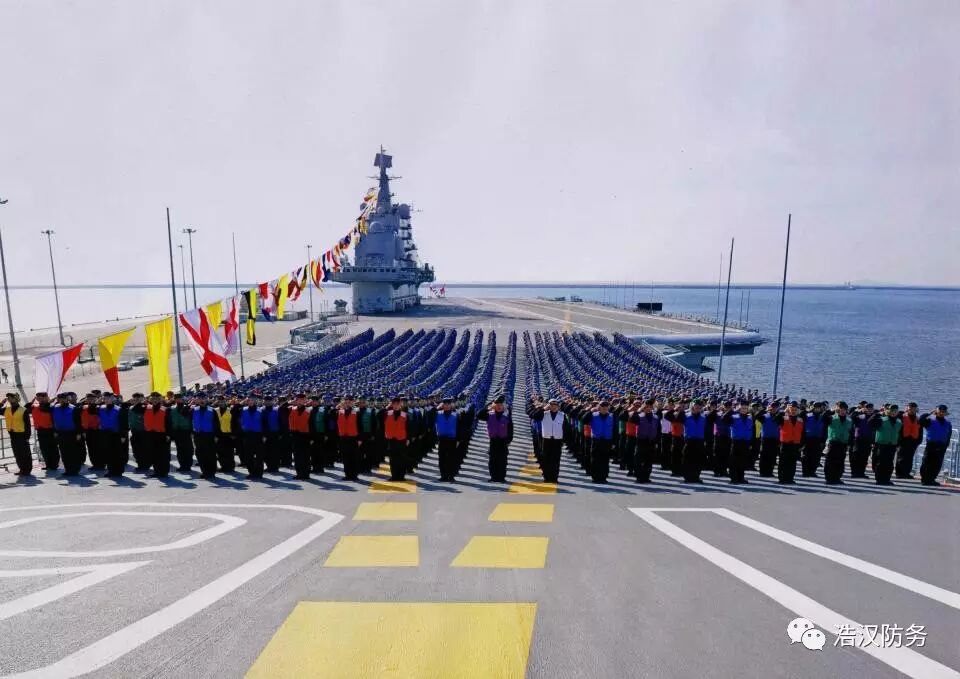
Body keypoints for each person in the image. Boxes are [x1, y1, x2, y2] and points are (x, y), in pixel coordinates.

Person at [479, 394, 513, 483]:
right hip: (493, 440)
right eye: (497, 404)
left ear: (503, 405)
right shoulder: (490, 413)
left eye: (500, 405)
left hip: (503, 440)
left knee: (502, 460)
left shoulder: (507, 414)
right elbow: (479, 415)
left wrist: (509, 440)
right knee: (493, 459)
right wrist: (489, 407)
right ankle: (493, 477)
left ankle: (501, 477)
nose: (499, 406)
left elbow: (510, 428)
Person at [918, 405, 952, 486]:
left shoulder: (948, 423)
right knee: (927, 462)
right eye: (940, 411)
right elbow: (920, 420)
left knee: (937, 464)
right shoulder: (930, 421)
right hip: (931, 445)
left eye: (943, 412)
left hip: (941, 446)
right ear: (936, 412)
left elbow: (948, 435)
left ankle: (932, 479)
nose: (941, 413)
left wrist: (946, 445)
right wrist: (929, 413)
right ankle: (925, 479)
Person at [534, 398, 566, 484]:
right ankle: (547, 477)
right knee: (546, 459)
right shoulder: (544, 413)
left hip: (557, 440)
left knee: (555, 460)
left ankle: (554, 477)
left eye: (555, 405)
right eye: (552, 405)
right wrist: (543, 408)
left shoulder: (562, 415)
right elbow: (534, 416)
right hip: (546, 439)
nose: (554, 406)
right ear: (549, 405)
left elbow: (566, 428)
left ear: (558, 406)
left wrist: (564, 440)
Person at [1, 393, 33, 476]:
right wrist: (1, 403)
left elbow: (28, 425)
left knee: (25, 453)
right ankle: (22, 469)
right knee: (17, 453)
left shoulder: (23, 410)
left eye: (11, 398)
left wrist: (27, 436)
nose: (9, 399)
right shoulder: (7, 409)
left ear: (16, 399)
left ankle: (27, 470)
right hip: (13, 435)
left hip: (22, 435)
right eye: (8, 398)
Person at [870, 404, 902, 486]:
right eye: (892, 411)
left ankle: (887, 479)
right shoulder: (881, 420)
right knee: (881, 463)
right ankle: (879, 480)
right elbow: (870, 423)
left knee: (889, 463)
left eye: (895, 411)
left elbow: (900, 434)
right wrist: (877, 414)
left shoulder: (899, 422)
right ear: (888, 411)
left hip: (892, 445)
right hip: (882, 444)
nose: (893, 412)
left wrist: (898, 444)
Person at [822, 401, 853, 485]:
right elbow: (823, 418)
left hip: (843, 443)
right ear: (837, 409)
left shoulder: (849, 420)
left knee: (840, 461)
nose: (842, 411)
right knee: (830, 461)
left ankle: (837, 478)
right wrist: (831, 410)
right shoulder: (831, 417)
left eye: (844, 409)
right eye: (841, 409)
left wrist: (850, 443)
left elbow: (851, 432)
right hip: (833, 442)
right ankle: (829, 478)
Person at [52, 392, 83, 475]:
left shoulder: (73, 408)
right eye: (60, 399)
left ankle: (75, 470)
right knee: (64, 452)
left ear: (67, 399)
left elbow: (78, 422)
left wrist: (78, 433)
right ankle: (67, 469)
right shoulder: (55, 408)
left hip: (72, 433)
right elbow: (53, 420)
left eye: (63, 399)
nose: (61, 400)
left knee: (73, 452)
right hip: (61, 433)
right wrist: (55, 431)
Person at [584, 400, 615, 483]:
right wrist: (590, 411)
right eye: (602, 407)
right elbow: (584, 420)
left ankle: (603, 477)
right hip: (596, 440)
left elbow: (615, 429)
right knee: (595, 459)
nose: (604, 408)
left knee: (605, 459)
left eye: (606, 407)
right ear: (599, 407)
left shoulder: (612, 416)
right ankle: (595, 477)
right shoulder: (593, 415)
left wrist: (614, 442)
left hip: (607, 440)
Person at [99, 392, 128, 477]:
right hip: (106, 434)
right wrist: (98, 401)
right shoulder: (101, 408)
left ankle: (119, 471)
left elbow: (124, 423)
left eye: (108, 398)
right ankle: (111, 470)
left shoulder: (119, 409)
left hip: (116, 434)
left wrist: (123, 435)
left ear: (112, 399)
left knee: (118, 453)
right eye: (104, 398)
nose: (106, 400)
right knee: (108, 453)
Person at [725, 400, 754, 484]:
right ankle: (733, 478)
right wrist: (732, 410)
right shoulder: (734, 417)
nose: (744, 410)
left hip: (745, 442)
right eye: (742, 408)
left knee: (742, 461)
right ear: (739, 408)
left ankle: (741, 477)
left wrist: (750, 442)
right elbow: (724, 419)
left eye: (746, 408)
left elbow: (751, 430)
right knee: (734, 461)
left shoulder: (750, 418)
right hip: (736, 441)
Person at [143, 392, 171, 477]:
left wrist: (168, 435)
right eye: (153, 398)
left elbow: (169, 423)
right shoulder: (146, 408)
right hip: (151, 434)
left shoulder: (165, 409)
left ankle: (164, 472)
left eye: (157, 398)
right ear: (150, 399)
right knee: (154, 453)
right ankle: (157, 471)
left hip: (162, 434)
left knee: (163, 454)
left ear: (160, 399)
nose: (155, 400)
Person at [775, 401, 804, 484]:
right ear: (789, 409)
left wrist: (802, 444)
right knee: (783, 462)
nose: (793, 411)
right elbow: (776, 419)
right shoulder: (784, 417)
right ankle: (782, 479)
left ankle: (790, 478)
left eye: (795, 409)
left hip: (795, 444)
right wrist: (784, 411)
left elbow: (802, 433)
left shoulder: (800, 419)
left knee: (792, 462)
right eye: (792, 409)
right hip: (785, 443)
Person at [382, 396, 409, 481]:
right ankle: (394, 476)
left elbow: (409, 427)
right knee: (393, 459)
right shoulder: (387, 413)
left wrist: (408, 439)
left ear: (400, 405)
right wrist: (387, 407)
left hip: (402, 440)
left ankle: (401, 476)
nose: (396, 406)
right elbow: (379, 416)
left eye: (398, 404)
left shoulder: (405, 414)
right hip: (391, 440)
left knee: (402, 459)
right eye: (394, 404)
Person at [633, 398, 660, 483]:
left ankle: (646, 476)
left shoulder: (656, 417)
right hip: (641, 440)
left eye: (650, 407)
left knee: (649, 460)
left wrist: (657, 442)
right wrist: (639, 410)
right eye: (646, 406)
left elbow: (658, 430)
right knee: (639, 459)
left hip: (651, 441)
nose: (648, 408)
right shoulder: (639, 416)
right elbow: (632, 419)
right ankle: (639, 476)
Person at [288, 394, 313, 480]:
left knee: (306, 456)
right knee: (297, 456)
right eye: (298, 399)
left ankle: (306, 474)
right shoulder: (291, 409)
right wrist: (291, 402)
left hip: (305, 436)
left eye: (302, 400)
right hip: (295, 435)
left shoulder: (309, 410)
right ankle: (299, 473)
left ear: (305, 400)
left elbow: (312, 425)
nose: (300, 401)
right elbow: (281, 408)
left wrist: (311, 438)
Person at [239, 396, 266, 480]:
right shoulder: (243, 409)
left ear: (255, 401)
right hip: (247, 434)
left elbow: (264, 423)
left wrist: (264, 435)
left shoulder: (260, 410)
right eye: (249, 400)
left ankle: (259, 473)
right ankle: (251, 472)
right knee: (248, 455)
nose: (250, 401)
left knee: (259, 456)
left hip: (258, 435)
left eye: (252, 400)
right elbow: (238, 417)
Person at [30, 392, 57, 471]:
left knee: (52, 448)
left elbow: (46, 410)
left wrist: (48, 402)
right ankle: (48, 464)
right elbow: (27, 407)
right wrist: (33, 400)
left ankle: (54, 465)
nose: (39, 398)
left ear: (46, 397)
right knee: (44, 448)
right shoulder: (35, 406)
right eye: (38, 397)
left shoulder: (51, 407)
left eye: (41, 397)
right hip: (40, 430)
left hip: (50, 430)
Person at [192, 394, 217, 479]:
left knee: (210, 454)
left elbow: (216, 424)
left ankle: (212, 472)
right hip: (198, 435)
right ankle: (204, 471)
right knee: (200, 454)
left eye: (203, 398)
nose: (202, 400)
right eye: (200, 399)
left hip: (209, 435)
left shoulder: (212, 410)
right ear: (197, 400)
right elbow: (185, 416)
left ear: (206, 399)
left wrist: (216, 435)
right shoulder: (194, 409)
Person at [895, 402, 923, 479]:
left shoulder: (918, 419)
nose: (912, 410)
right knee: (901, 457)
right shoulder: (902, 416)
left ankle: (906, 473)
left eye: (914, 409)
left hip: (913, 441)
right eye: (910, 408)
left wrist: (919, 440)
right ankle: (899, 473)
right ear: (907, 408)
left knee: (909, 457)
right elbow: (895, 416)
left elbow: (920, 430)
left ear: (916, 409)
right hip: (902, 440)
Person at [435, 397, 459, 482]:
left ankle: (451, 476)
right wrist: (437, 407)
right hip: (442, 438)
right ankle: (443, 476)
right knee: (442, 458)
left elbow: (459, 427)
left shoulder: (456, 414)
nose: (447, 405)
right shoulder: (438, 413)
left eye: (448, 404)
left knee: (451, 458)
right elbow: (429, 415)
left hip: (452, 439)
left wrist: (458, 439)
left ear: (451, 405)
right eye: (445, 404)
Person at [801, 402, 828, 477]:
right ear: (813, 407)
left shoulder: (823, 417)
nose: (817, 409)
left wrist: (823, 440)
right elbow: (802, 428)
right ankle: (805, 472)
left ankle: (812, 471)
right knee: (806, 456)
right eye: (816, 407)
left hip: (818, 439)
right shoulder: (807, 415)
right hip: (808, 438)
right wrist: (802, 440)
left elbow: (825, 430)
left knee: (816, 456)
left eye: (819, 407)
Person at [337, 395, 361, 481]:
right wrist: (338, 406)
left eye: (350, 401)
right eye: (346, 400)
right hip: (343, 438)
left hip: (353, 438)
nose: (348, 402)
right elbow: (331, 416)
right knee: (345, 457)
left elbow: (360, 426)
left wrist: (359, 439)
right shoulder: (340, 411)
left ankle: (354, 475)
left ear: (353, 402)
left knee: (354, 457)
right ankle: (347, 474)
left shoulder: (356, 412)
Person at [170, 393, 194, 473]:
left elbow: (191, 420)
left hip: (186, 431)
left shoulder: (187, 407)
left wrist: (191, 431)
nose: (178, 399)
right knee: (180, 449)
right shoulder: (172, 408)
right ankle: (182, 465)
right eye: (176, 398)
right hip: (177, 431)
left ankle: (188, 465)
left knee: (188, 449)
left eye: (179, 398)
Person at [849, 403, 875, 478]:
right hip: (858, 439)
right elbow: (851, 417)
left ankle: (861, 472)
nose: (869, 410)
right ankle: (854, 472)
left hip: (868, 439)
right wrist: (859, 411)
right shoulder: (859, 416)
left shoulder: (874, 417)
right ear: (864, 408)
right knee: (856, 455)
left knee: (865, 456)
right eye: (868, 408)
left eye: (871, 408)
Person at [757, 402, 781, 478]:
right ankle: (762, 472)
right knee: (764, 455)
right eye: (772, 407)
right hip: (765, 439)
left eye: (775, 407)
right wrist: (762, 410)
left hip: (775, 439)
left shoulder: (779, 417)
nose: (774, 409)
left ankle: (770, 472)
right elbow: (757, 416)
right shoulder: (764, 416)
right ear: (770, 407)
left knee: (772, 456)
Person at [80, 393, 103, 470]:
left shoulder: (99, 407)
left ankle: (101, 464)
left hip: (97, 430)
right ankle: (95, 464)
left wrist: (96, 403)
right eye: (88, 398)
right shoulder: (83, 407)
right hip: (87, 430)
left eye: (92, 398)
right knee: (91, 448)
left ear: (95, 399)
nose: (90, 400)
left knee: (98, 448)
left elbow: (93, 410)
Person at [214, 396, 236, 473]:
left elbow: (234, 423)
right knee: (220, 452)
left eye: (223, 401)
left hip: (229, 434)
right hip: (219, 434)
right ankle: (224, 466)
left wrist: (234, 433)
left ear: (225, 402)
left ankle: (231, 467)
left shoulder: (230, 410)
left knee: (229, 452)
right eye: (219, 401)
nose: (221, 403)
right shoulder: (215, 410)